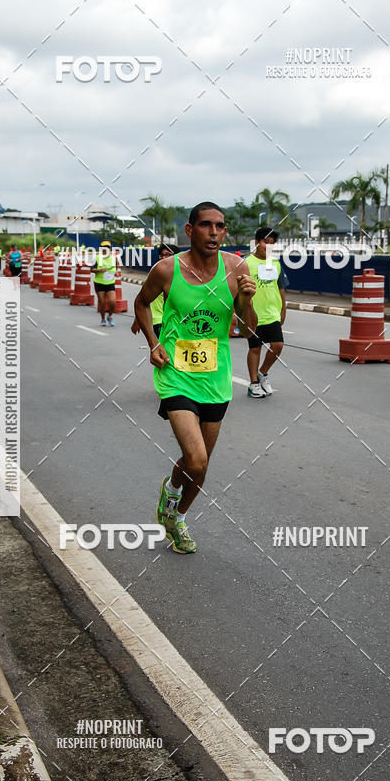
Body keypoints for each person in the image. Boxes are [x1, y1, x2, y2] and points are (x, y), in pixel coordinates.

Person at [134, 202, 257, 554]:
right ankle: (173, 500)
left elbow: (249, 330)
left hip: (216, 377)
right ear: (190, 231)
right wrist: (153, 343)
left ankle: (175, 513)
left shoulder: (236, 268)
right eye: (206, 225)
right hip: (175, 374)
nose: (214, 232)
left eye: (220, 226)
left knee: (199, 469)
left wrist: (247, 301)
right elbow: (141, 304)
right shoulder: (166, 270)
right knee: (197, 458)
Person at [244, 227, 288, 397]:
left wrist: (283, 309)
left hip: (272, 314)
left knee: (278, 345)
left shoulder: (275, 263)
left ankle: (262, 373)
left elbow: (281, 288)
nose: (268, 246)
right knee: (255, 349)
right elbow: (236, 289)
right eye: (265, 242)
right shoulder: (246, 263)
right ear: (257, 243)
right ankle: (253, 383)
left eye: (272, 244)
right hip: (253, 314)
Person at [131, 244, 177, 338]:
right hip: (159, 321)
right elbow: (144, 299)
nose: (164, 258)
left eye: (168, 254)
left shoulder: (183, 276)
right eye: (162, 255)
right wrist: (138, 320)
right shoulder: (156, 274)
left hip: (177, 322)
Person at [91, 240, 117, 326]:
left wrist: (115, 273)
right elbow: (92, 269)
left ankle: (110, 316)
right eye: (104, 248)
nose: (106, 249)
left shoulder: (113, 258)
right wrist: (99, 270)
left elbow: (114, 269)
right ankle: (102, 319)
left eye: (107, 248)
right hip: (99, 283)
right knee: (102, 302)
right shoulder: (97, 258)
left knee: (112, 302)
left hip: (110, 283)